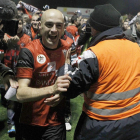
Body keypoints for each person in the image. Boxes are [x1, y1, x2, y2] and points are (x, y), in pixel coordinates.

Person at [56, 4, 140, 140]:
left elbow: (69, 89)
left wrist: (65, 66)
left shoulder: (94, 54)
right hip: (134, 121)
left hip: (102, 125)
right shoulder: (135, 47)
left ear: (94, 27)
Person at [16, 9, 71, 140]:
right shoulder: (28, 51)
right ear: (40, 26)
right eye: (49, 24)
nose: (54, 30)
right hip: (30, 122)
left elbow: (67, 76)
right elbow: (20, 93)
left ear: (63, 28)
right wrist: (52, 89)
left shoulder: (67, 48)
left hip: (55, 122)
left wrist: (62, 94)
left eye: (59, 25)